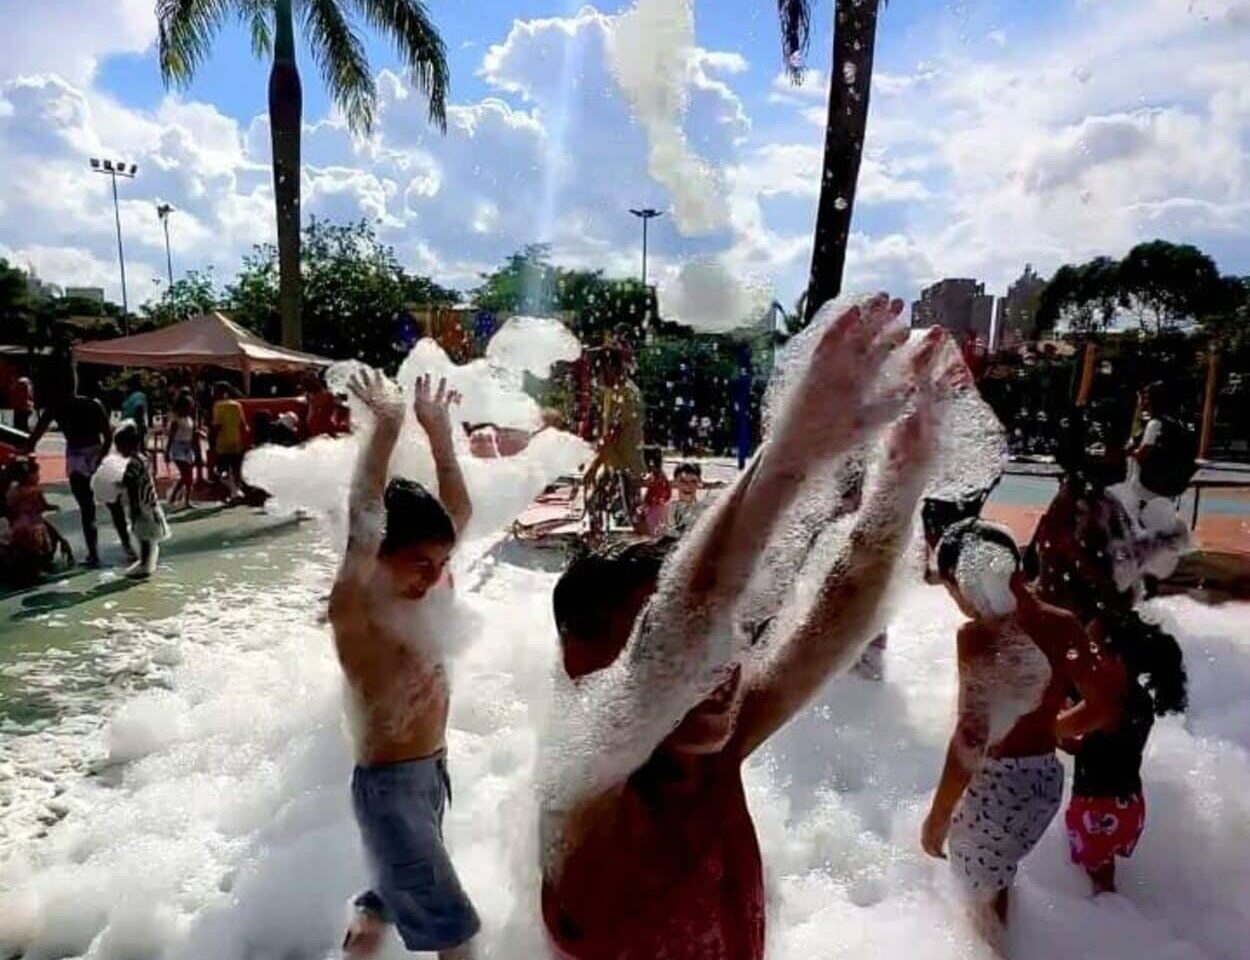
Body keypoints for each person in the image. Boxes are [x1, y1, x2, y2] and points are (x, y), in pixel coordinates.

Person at [541, 298, 945, 960]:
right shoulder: (583, 800)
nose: (724, 667)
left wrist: (899, 488)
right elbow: (675, 637)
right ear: (585, 662)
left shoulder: (707, 753)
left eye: (729, 639)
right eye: (697, 646)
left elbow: (833, 614)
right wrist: (787, 460)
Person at [331, 369, 479, 960]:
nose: (434, 573)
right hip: (390, 789)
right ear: (381, 557)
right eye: (419, 561)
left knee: (389, 899)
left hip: (427, 777)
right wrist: (387, 426)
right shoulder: (358, 615)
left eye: (440, 562)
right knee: (455, 935)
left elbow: (458, 510)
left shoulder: (421, 596)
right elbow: (365, 516)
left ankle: (361, 939)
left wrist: (439, 434)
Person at [921, 519, 1117, 951]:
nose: (957, 602)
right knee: (997, 877)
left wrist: (937, 818)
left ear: (969, 580)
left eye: (953, 590)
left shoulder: (977, 638)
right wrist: (1052, 726)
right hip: (1044, 783)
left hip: (998, 790)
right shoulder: (1063, 623)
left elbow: (970, 741)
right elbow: (1104, 706)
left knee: (982, 910)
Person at [25, 368, 135, 568]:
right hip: (95, 453)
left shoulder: (56, 407)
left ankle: (93, 555)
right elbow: (108, 436)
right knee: (114, 505)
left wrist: (22, 456)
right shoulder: (92, 404)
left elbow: (34, 439)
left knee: (87, 509)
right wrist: (101, 459)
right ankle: (128, 548)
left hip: (75, 456)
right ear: (75, 383)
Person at [582, 347, 645, 525]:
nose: (597, 377)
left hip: (624, 466)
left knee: (626, 512)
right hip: (616, 463)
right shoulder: (616, 392)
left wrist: (594, 465)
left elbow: (612, 434)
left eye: (598, 370)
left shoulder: (625, 393)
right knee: (599, 502)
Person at [113, 421, 169, 579]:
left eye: (119, 447)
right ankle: (147, 563)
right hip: (151, 501)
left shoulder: (132, 464)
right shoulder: (144, 458)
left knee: (143, 536)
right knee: (148, 538)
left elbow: (132, 486)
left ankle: (144, 565)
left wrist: (134, 508)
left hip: (141, 504)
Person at [3, 457, 73, 575]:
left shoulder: (12, 490)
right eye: (36, 474)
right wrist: (51, 507)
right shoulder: (35, 491)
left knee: (22, 545)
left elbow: (10, 506)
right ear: (30, 475)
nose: (38, 476)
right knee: (38, 545)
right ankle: (38, 566)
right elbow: (42, 505)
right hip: (33, 523)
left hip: (17, 523)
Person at [210, 382, 250, 503]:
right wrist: (245, 441)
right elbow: (243, 425)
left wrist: (212, 441)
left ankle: (232, 492)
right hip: (237, 442)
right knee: (236, 469)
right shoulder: (237, 405)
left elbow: (217, 426)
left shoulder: (218, 406)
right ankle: (237, 491)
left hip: (223, 444)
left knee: (221, 470)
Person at [165, 391, 200, 510]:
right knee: (187, 475)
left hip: (187, 447)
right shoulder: (176, 420)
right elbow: (171, 437)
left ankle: (181, 498)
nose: (190, 408)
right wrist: (167, 452)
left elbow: (193, 436)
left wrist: (195, 451)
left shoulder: (190, 419)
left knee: (187, 476)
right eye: (188, 406)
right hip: (178, 447)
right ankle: (179, 497)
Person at [636, 446, 671, 536]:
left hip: (653, 507)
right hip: (660, 505)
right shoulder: (661, 474)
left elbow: (645, 482)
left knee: (652, 531)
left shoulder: (654, 475)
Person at [666, 461, 704, 537]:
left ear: (699, 482)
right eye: (683, 481)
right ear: (675, 482)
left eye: (693, 481)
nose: (688, 486)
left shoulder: (704, 511)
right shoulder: (669, 508)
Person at [121, 375, 150, 447]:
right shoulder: (129, 396)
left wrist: (138, 428)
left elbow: (139, 409)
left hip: (133, 427)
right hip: (127, 427)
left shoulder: (138, 395)